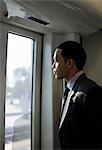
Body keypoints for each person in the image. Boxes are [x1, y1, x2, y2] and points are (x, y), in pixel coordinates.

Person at [52, 41, 102, 149]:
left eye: (56, 61)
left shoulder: (90, 92)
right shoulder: (69, 89)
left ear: (69, 63)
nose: (53, 66)